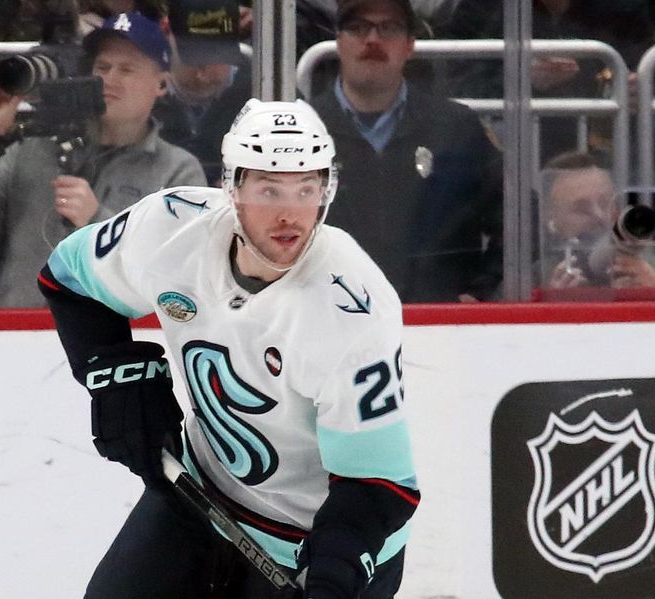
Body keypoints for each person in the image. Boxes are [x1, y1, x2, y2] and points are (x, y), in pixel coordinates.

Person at [37, 98, 420, 598]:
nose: (290, 213)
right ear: (232, 187)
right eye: (269, 188)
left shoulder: (352, 309)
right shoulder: (172, 226)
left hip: (317, 542)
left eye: (307, 188)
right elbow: (68, 280)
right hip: (197, 493)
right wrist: (116, 380)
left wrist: (332, 575)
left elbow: (380, 487)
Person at [0, 12, 207, 307]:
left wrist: (99, 223)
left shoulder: (177, 171)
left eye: (127, 69)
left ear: (161, 84)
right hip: (13, 338)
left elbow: (180, 276)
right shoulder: (30, 149)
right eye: (102, 67)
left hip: (119, 343)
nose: (109, 79)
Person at [309, 0, 503, 302]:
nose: (372, 39)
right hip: (331, 326)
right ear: (338, 41)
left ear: (410, 45)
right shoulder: (304, 130)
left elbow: (517, 217)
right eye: (358, 28)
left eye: (389, 28)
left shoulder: (455, 128)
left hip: (439, 329)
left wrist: (481, 290)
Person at [539, 151, 655, 290]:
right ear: (550, 216)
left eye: (606, 203)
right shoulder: (532, 279)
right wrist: (553, 304)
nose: (600, 216)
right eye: (581, 209)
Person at [153, 0, 252, 186]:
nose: (203, 76)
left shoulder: (264, 91)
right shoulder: (139, 87)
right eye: (195, 60)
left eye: (217, 57)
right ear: (167, 32)